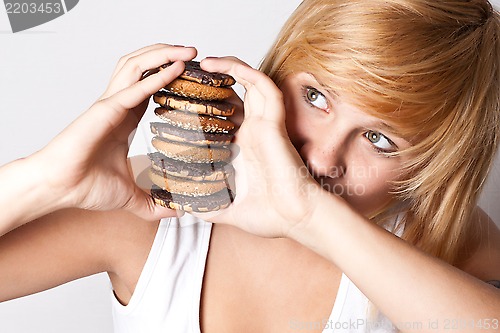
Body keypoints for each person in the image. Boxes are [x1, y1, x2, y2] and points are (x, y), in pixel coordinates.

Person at [1, 0, 499, 332]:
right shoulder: (150, 204)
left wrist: (307, 215)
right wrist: (45, 179)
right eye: (316, 96)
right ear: (278, 70)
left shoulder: (443, 236)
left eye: (378, 138)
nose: (322, 158)